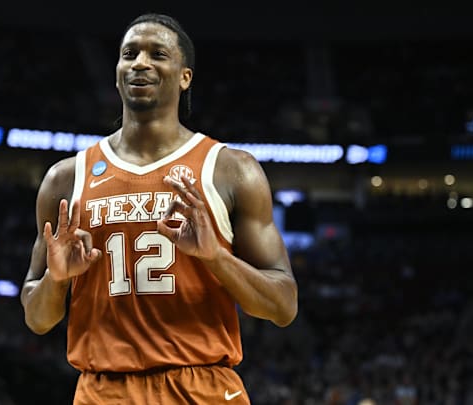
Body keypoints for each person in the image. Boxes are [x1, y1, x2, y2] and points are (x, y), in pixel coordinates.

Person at [21, 13, 298, 404]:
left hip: (202, 387)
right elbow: (37, 318)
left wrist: (216, 257)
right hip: (103, 390)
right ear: (117, 72)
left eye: (157, 54)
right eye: (129, 53)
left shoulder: (231, 169)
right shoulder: (65, 179)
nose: (140, 62)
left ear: (185, 76)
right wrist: (57, 280)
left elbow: (283, 305)